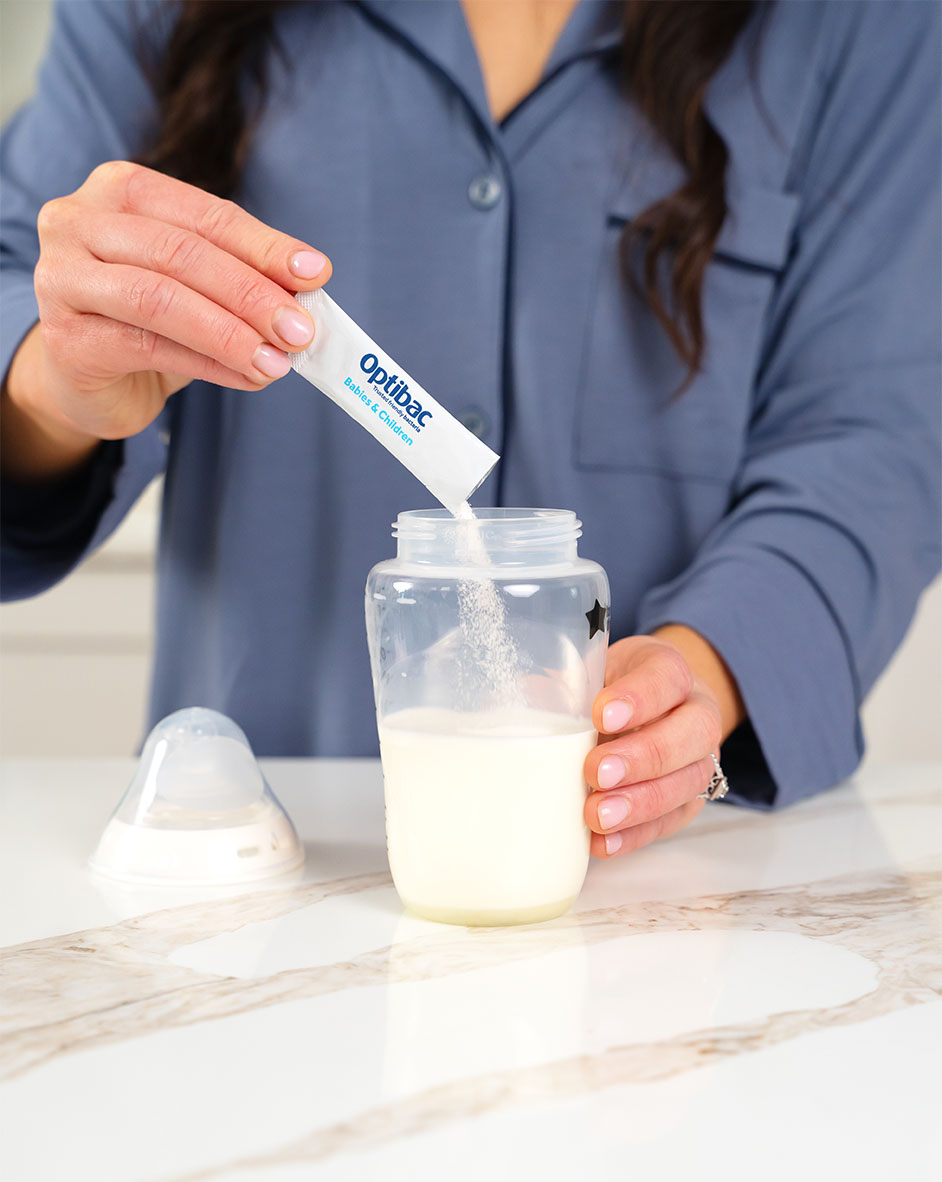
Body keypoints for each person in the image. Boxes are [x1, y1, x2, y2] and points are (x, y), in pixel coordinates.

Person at [1, 0, 939, 860]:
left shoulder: (862, 25)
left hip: (663, 886)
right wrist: (52, 380)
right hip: (246, 867)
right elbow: (23, 278)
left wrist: (700, 675)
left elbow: (874, 438)